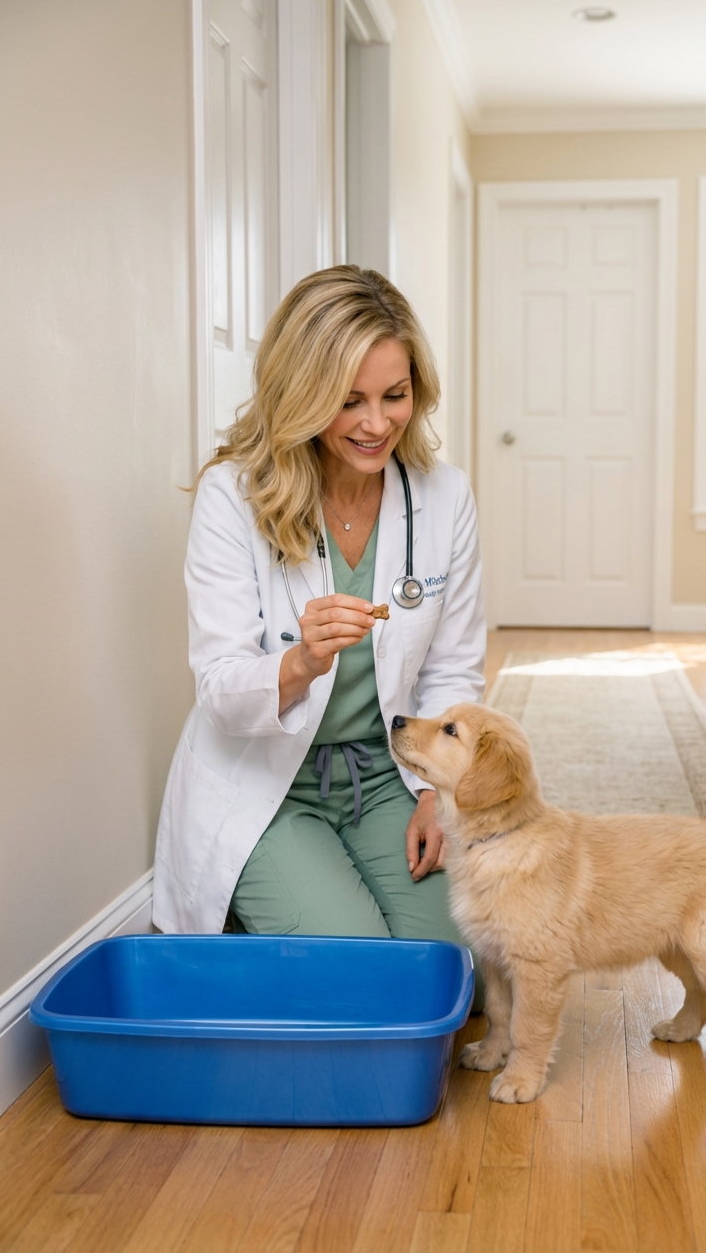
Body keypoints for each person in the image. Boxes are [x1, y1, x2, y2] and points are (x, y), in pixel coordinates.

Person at [152, 266, 486, 955]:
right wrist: (300, 662)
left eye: (395, 395)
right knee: (361, 974)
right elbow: (218, 687)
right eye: (348, 401)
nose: (376, 423)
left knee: (461, 965)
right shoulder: (232, 496)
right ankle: (262, 900)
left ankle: (297, 918)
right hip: (269, 781)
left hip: (387, 772)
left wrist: (439, 798)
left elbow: (453, 669)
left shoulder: (444, 496)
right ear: (300, 396)